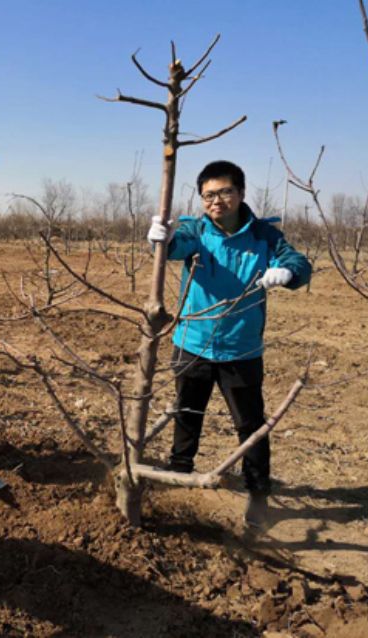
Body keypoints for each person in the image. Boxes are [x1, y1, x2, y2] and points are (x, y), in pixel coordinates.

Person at [147, 160, 311, 529]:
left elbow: (299, 263)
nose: (216, 201)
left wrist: (289, 272)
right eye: (208, 195)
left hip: (241, 349)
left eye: (224, 192)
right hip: (192, 341)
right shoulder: (196, 229)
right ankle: (179, 473)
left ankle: (258, 494)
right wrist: (163, 240)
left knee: (250, 427)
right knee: (187, 414)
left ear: (240, 193)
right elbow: (177, 245)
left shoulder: (265, 237)